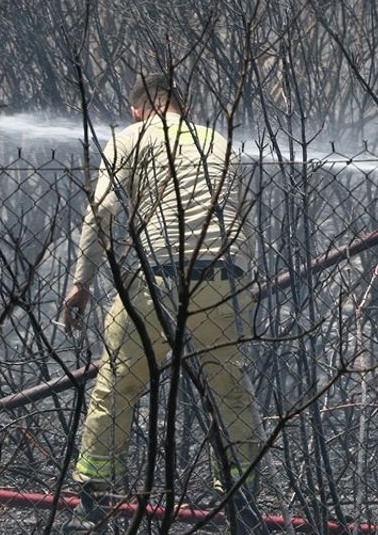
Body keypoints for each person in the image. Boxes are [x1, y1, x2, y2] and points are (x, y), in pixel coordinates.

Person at [59, 73, 263, 530]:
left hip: (158, 278)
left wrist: (82, 281)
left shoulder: (130, 137)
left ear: (137, 110)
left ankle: (94, 497)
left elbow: (104, 211)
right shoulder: (219, 142)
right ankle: (242, 501)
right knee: (229, 389)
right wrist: (243, 286)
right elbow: (243, 221)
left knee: (118, 383)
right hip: (223, 277)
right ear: (182, 106)